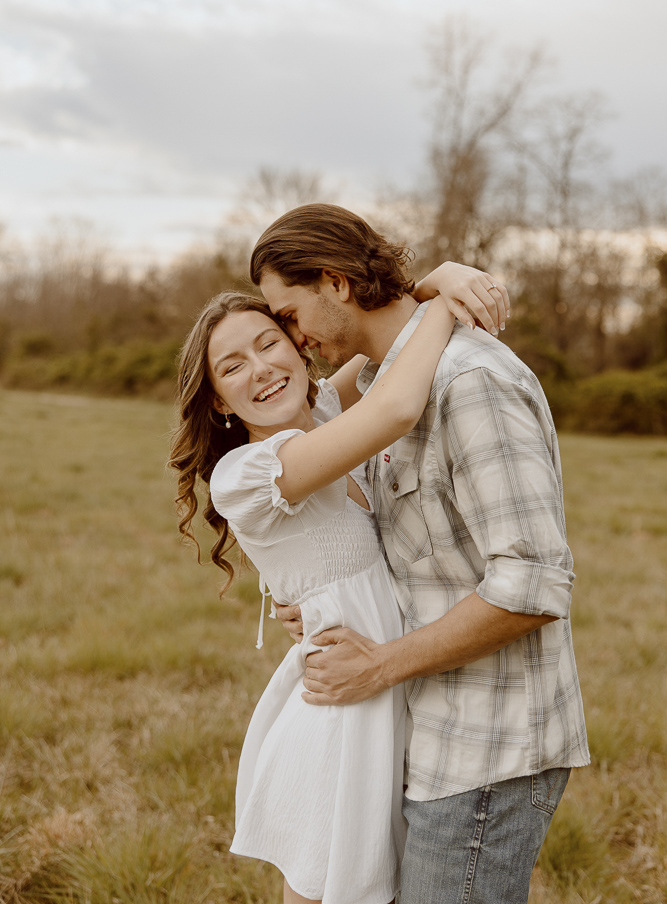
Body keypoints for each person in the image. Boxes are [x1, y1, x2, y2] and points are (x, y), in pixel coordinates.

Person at [249, 203, 590, 904]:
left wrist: (377, 666)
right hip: (420, 730)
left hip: (485, 746)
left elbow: (532, 582)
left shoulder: (469, 382)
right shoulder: (381, 386)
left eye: (287, 314)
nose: (290, 339)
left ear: (334, 282)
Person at [168, 263, 503, 904]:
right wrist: (441, 304)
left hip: (389, 679)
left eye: (268, 343)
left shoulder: (320, 413)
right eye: (232, 367)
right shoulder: (246, 472)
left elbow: (387, 347)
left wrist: (436, 278)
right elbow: (398, 405)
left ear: (298, 345)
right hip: (341, 709)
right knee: (330, 886)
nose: (260, 369)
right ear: (216, 398)